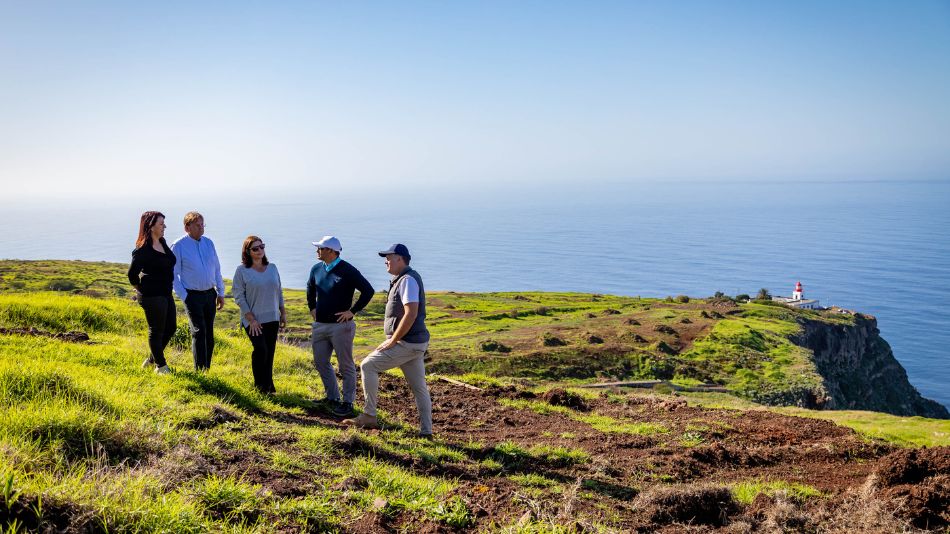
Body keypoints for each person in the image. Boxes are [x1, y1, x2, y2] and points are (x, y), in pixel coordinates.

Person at [345, 243, 432, 437]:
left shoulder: (407, 280)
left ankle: (369, 415)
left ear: (400, 259)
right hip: (415, 344)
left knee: (368, 365)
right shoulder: (402, 279)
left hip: (407, 343)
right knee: (419, 388)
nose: (386, 261)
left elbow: (411, 313)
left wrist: (394, 340)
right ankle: (427, 432)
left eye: (389, 257)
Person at [306, 236, 375, 417]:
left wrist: (352, 311)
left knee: (346, 366)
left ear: (330, 250)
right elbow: (310, 288)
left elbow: (368, 291)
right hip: (320, 325)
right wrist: (312, 308)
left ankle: (348, 402)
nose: (317, 251)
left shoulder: (348, 270)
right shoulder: (316, 268)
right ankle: (332, 397)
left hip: (341, 327)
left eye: (320, 248)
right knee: (321, 362)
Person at [171, 211, 225, 371]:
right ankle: (200, 371)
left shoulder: (209, 243)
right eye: (198, 225)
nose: (202, 228)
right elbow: (173, 274)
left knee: (209, 334)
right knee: (199, 332)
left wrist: (220, 292)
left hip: (210, 294)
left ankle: (206, 369)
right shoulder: (178, 246)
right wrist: (184, 296)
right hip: (192, 296)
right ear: (187, 227)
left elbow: (216, 269)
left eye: (203, 225)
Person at [232, 236, 286, 394]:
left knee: (269, 352)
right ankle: (259, 387)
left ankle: (269, 386)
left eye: (262, 247)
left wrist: (282, 313)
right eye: (255, 248)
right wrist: (251, 319)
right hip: (253, 320)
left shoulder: (273, 267)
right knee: (261, 349)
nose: (260, 251)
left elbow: (279, 291)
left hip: (272, 317)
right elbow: (239, 296)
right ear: (247, 252)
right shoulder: (241, 271)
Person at [127, 211, 177, 374]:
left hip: (166, 293)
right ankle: (161, 367)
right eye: (161, 224)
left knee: (171, 328)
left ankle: (151, 359)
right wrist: (140, 288)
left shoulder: (162, 241)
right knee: (156, 330)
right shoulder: (143, 250)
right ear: (150, 225)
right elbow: (132, 274)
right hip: (152, 295)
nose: (164, 227)